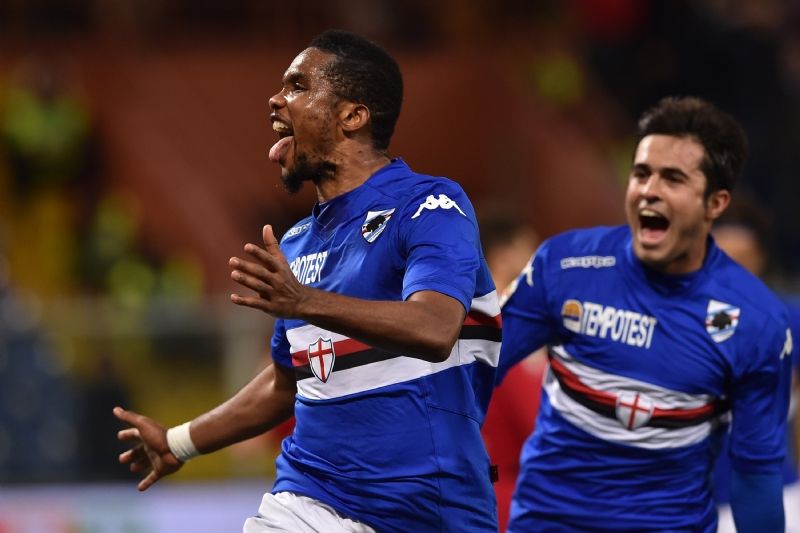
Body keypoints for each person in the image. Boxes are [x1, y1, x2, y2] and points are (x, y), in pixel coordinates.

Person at [113, 29, 501, 533]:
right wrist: (179, 442)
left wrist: (305, 301)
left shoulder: (431, 206)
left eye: (298, 86)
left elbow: (435, 327)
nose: (276, 100)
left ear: (352, 116)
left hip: (429, 508)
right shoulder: (295, 244)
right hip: (310, 496)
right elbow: (286, 379)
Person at [499, 96, 793, 532]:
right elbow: (468, 375)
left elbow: (756, 475)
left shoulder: (757, 321)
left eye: (672, 178)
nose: (648, 190)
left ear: (715, 203)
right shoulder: (563, 265)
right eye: (641, 173)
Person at [710, 199, 800, 533]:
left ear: (760, 258)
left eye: (742, 262)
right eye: (722, 261)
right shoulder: (678, 324)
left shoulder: (789, 319)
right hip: (697, 501)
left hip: (776, 496)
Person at [477, 213, 546, 532]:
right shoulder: (514, 326)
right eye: (529, 250)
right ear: (505, 255)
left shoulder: (457, 320)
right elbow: (535, 423)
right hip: (511, 502)